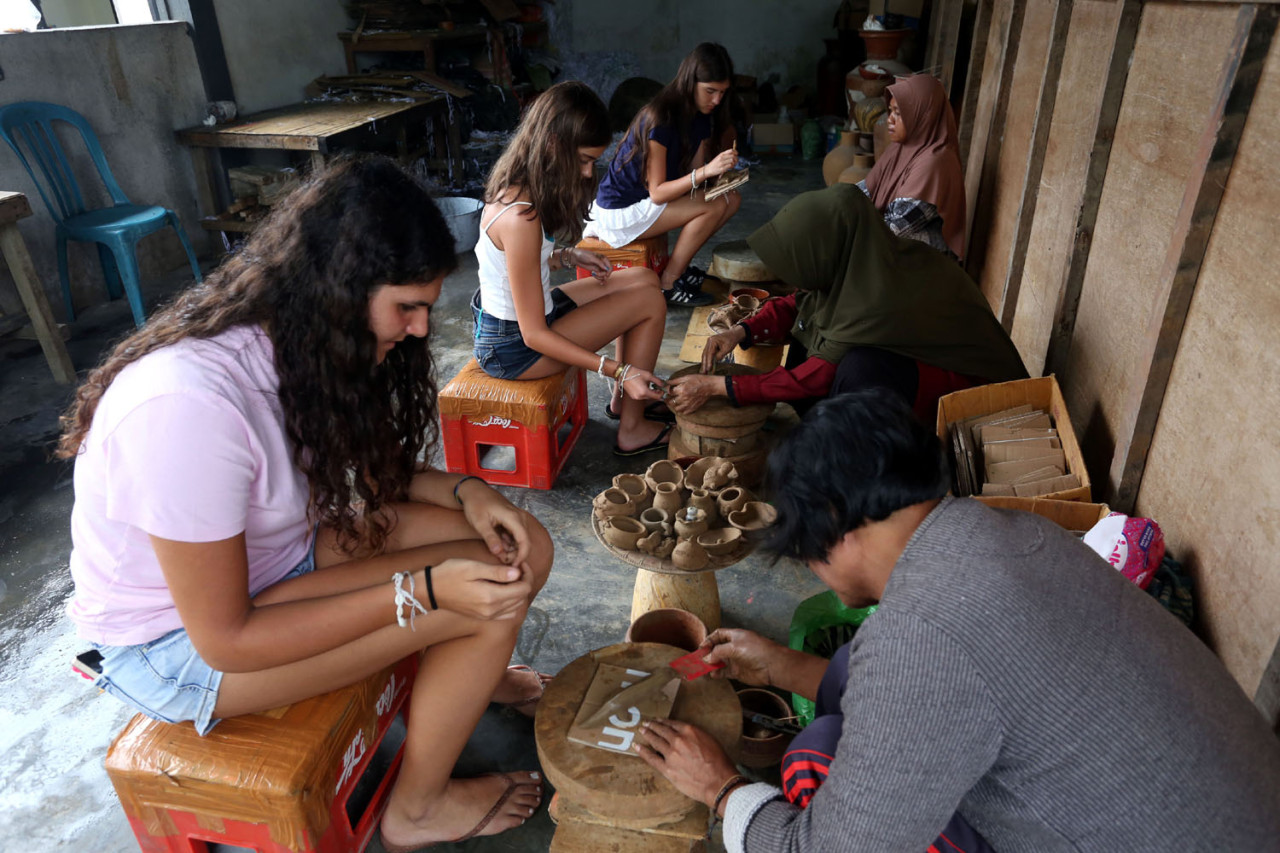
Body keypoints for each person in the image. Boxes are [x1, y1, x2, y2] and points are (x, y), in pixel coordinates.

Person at [61, 158, 557, 851]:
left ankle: (468, 667)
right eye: (405, 308)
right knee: (480, 596)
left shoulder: (300, 344)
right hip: (179, 647)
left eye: (427, 307)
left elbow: (372, 466)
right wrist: (421, 593)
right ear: (337, 290)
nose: (419, 329)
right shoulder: (186, 406)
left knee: (517, 548)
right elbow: (225, 637)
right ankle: (415, 810)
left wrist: (470, 491)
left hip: (278, 562)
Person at [634, 390, 1280, 853]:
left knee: (810, 765)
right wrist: (781, 664)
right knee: (826, 737)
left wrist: (721, 789)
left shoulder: (923, 634)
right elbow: (952, 689)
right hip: (1244, 815)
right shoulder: (1008, 533)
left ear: (835, 524)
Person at [667, 184, 1027, 421]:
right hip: (919, 368)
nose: (793, 274)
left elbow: (814, 379)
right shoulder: (861, 261)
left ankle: (872, 451)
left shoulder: (876, 300)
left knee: (855, 371)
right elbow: (800, 303)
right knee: (808, 335)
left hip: (974, 398)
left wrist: (720, 387)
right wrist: (740, 331)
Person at [476, 80, 672, 457]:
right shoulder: (520, 217)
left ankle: (621, 402)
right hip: (514, 348)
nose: (587, 173)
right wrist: (617, 369)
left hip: (525, 322)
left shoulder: (521, 186)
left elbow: (513, 263)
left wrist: (569, 256)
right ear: (553, 144)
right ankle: (631, 427)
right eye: (583, 159)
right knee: (650, 303)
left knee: (646, 279)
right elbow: (534, 335)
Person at [585, 42, 743, 307]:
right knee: (714, 205)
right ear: (690, 83)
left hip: (649, 203)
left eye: (722, 93)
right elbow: (658, 193)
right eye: (710, 91)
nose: (716, 100)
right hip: (621, 211)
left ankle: (678, 269)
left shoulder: (702, 115)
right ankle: (668, 283)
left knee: (731, 197)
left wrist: (720, 173)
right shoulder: (659, 118)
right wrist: (707, 171)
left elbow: (693, 175)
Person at [860, 73, 967, 260]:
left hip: (925, 265)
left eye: (899, 114)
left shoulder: (935, 162)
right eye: (890, 111)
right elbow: (860, 193)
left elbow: (895, 229)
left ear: (922, 116)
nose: (890, 120)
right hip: (896, 249)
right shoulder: (899, 149)